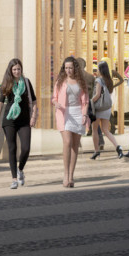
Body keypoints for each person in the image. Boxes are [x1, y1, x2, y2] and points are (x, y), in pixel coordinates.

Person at [0, 58, 37, 189]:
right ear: (10, 70)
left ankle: (20, 169)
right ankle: (14, 179)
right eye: (14, 69)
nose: (17, 71)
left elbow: (34, 101)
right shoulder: (7, 83)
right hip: (9, 120)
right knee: (12, 149)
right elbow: (0, 103)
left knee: (26, 148)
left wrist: (33, 117)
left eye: (19, 69)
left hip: (24, 120)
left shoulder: (27, 82)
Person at [53, 56, 88, 188]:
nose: (68, 70)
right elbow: (54, 97)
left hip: (78, 112)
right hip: (64, 113)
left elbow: (85, 101)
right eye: (66, 68)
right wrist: (56, 103)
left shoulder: (81, 82)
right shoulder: (60, 81)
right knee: (67, 142)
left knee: (75, 145)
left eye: (70, 68)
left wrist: (84, 115)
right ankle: (65, 175)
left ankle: (71, 176)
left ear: (75, 68)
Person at [89, 61, 123, 161]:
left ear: (100, 69)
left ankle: (96, 151)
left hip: (99, 108)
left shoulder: (99, 80)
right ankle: (118, 147)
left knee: (94, 130)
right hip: (107, 108)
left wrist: (89, 102)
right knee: (106, 130)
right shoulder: (109, 80)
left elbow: (97, 95)